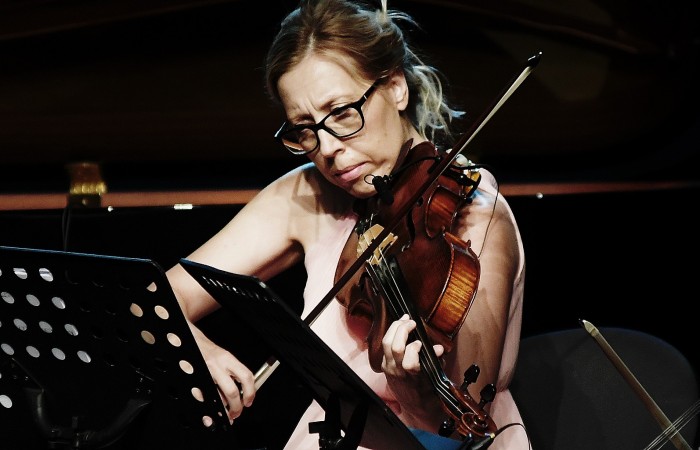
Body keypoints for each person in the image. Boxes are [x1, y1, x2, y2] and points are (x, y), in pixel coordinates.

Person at [165, 0, 529, 448]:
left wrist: (414, 394)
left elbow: (460, 425)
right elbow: (163, 296)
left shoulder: (473, 213)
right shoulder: (308, 194)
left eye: (341, 112)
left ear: (395, 87)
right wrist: (194, 347)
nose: (327, 149)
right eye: (304, 129)